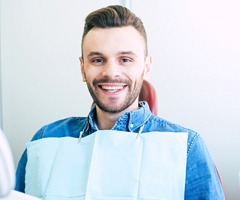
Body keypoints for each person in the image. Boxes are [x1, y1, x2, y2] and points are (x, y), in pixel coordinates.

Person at [15, 5, 225, 200]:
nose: (111, 73)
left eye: (125, 59)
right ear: (82, 68)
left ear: (147, 66)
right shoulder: (44, 141)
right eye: (98, 60)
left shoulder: (186, 147)